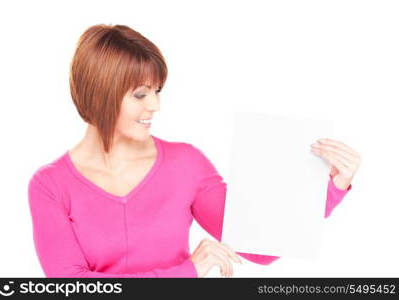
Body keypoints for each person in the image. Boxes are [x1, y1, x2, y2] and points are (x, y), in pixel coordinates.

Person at [27, 24, 360, 278]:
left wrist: (326, 188)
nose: (155, 105)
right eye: (140, 95)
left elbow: (260, 244)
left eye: (157, 91)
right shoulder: (50, 185)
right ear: (101, 93)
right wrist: (187, 272)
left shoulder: (185, 164)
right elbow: (69, 286)